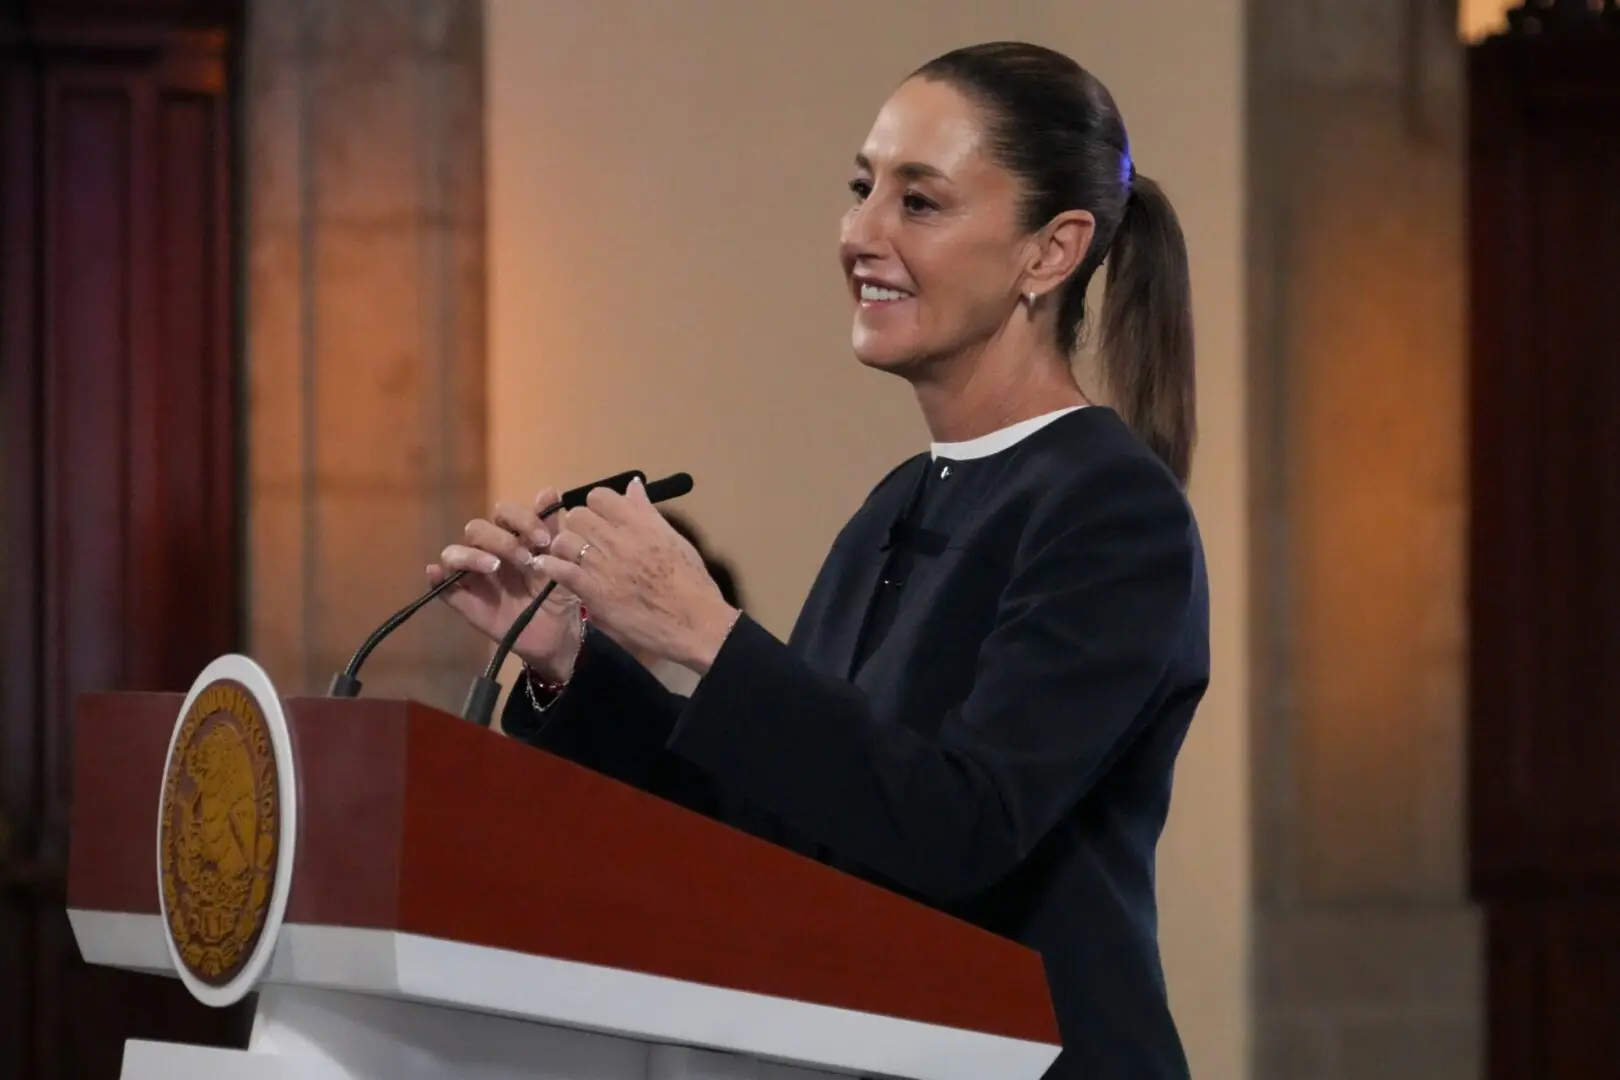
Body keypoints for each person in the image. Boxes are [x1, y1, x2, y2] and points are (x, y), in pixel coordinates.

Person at [429, 41, 1207, 1080]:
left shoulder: (1112, 511)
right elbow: (781, 830)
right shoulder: (899, 501)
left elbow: (961, 831)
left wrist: (706, 634)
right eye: (862, 187)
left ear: (1050, 252)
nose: (860, 233)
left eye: (919, 202)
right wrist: (573, 660)